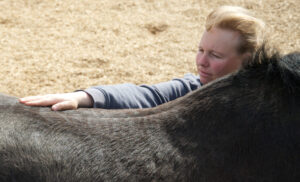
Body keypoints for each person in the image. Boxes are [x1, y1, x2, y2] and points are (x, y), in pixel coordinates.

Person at [19, 6, 265, 111]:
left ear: (248, 59)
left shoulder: (272, 103)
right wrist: (83, 97)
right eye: (201, 50)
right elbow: (147, 96)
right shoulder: (196, 88)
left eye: (215, 55)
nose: (201, 61)